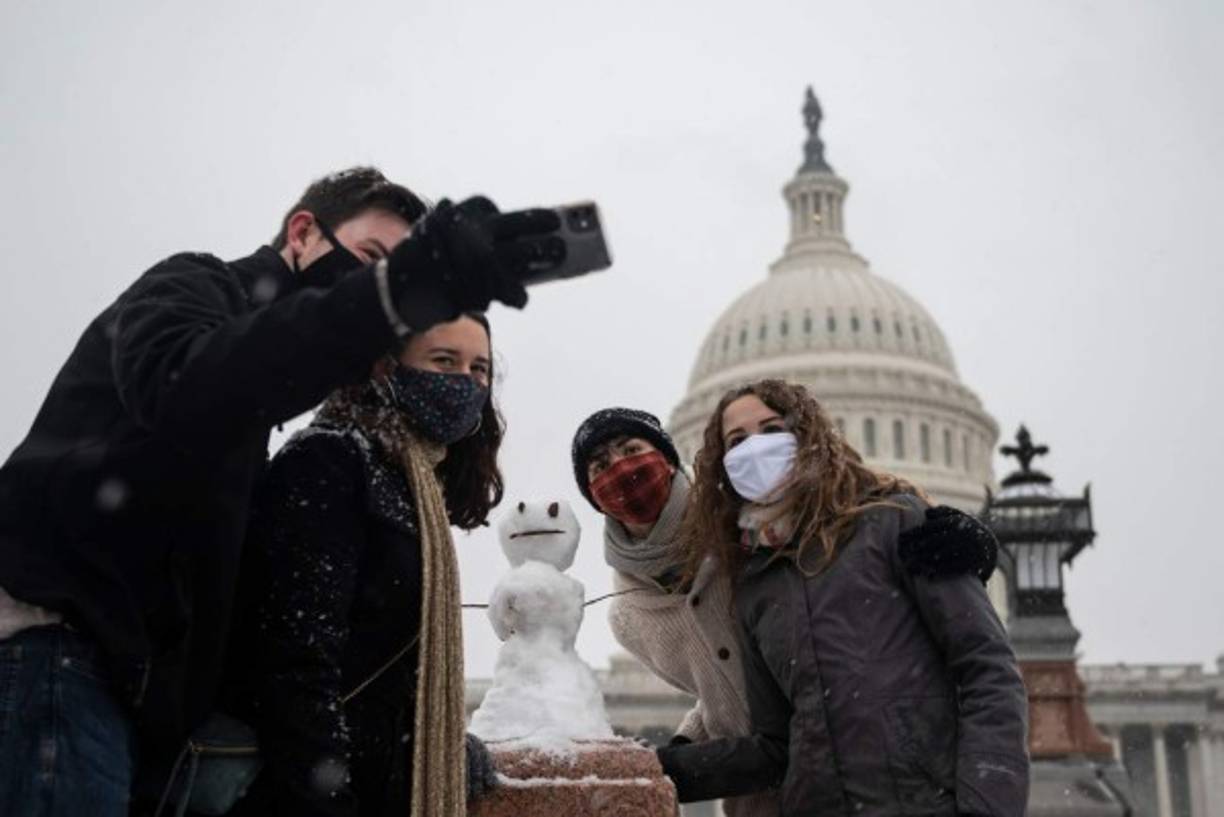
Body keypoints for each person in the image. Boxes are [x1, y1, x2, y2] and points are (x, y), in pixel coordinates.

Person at [0, 166, 558, 816]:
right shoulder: (194, 287)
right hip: (57, 656)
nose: (377, 293)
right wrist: (397, 290)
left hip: (122, 690)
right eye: (372, 259)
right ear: (302, 232)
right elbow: (190, 385)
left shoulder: (258, 402)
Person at [656, 379, 1029, 817]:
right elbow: (775, 749)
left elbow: (987, 672)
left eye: (773, 430)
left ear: (808, 437)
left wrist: (988, 805)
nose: (755, 449)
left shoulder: (897, 525)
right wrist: (656, 770)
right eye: (737, 441)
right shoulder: (755, 585)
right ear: (723, 466)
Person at [226, 312, 502, 815]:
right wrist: (327, 798)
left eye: (479, 368)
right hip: (306, 793)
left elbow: (391, 664)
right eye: (444, 360)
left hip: (381, 781)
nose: (466, 382)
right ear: (385, 366)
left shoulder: (412, 484)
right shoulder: (328, 463)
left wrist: (442, 739)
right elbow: (295, 658)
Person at [570, 407, 780, 817]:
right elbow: (723, 683)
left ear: (668, 459)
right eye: (600, 465)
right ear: (593, 496)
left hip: (836, 766)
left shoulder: (748, 527)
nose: (621, 469)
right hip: (758, 798)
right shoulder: (629, 618)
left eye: (632, 449)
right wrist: (686, 744)